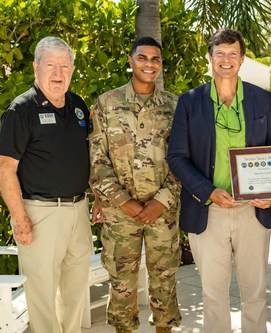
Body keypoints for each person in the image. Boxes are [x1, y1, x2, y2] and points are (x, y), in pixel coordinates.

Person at [166, 28, 271, 333]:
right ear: (210, 58)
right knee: (213, 295)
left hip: (253, 211)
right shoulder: (190, 102)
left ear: (241, 59)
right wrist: (208, 191)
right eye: (220, 53)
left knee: (255, 293)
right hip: (208, 210)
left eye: (232, 54)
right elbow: (176, 156)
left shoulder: (262, 100)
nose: (226, 60)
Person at [88, 37, 181, 333]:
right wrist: (123, 201)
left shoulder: (174, 107)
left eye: (155, 59)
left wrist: (161, 200)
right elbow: (96, 160)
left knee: (164, 280)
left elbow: (184, 160)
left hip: (162, 213)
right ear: (130, 61)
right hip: (119, 214)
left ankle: (164, 329)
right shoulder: (106, 103)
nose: (149, 64)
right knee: (121, 282)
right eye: (143, 58)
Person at [0, 37, 92, 332]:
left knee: (76, 290)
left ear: (73, 69)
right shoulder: (21, 110)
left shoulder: (78, 106)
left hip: (79, 211)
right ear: (36, 67)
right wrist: (19, 217)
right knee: (41, 294)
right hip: (40, 214)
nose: (58, 73)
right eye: (50, 65)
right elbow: (5, 168)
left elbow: (87, 156)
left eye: (64, 66)